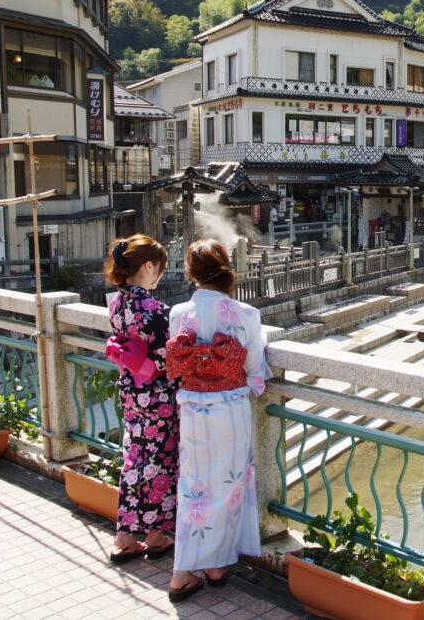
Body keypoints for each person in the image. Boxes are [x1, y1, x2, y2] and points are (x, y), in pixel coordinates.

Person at [164, 239, 268, 602]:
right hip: (230, 407)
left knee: (193, 488)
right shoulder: (246, 314)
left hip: (192, 408)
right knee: (228, 487)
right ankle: (200, 568)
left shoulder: (178, 313)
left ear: (191, 273)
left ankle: (200, 566)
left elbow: (176, 361)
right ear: (226, 268)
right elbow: (255, 368)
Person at [103, 235, 179, 566]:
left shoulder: (117, 304)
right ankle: (156, 534)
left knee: (135, 457)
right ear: (148, 266)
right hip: (159, 396)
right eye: (159, 268)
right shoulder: (156, 311)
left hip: (131, 390)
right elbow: (170, 357)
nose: (159, 275)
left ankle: (125, 535)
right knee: (160, 463)